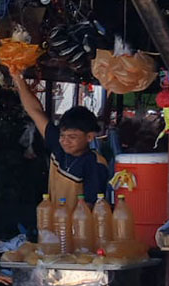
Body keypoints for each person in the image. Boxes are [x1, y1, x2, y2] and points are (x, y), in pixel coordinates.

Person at [11, 74, 110, 206]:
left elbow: (92, 206)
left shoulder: (95, 164)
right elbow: (34, 111)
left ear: (89, 137)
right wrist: (18, 79)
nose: (65, 141)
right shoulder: (58, 144)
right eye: (63, 135)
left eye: (72, 137)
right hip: (54, 220)